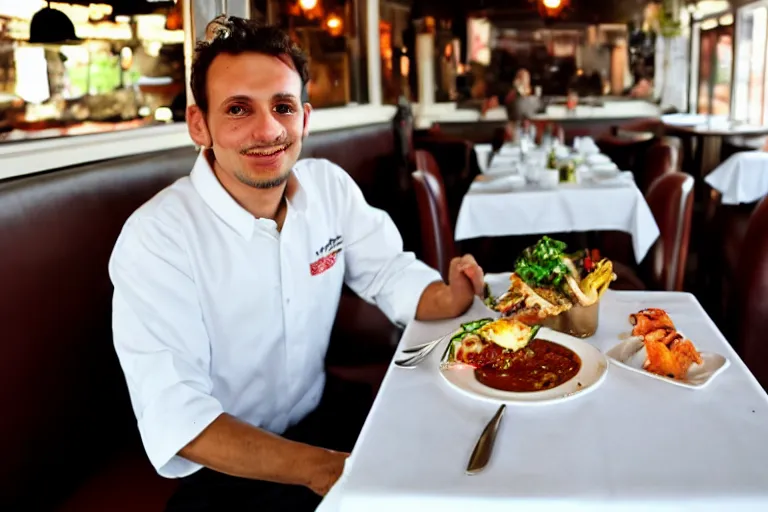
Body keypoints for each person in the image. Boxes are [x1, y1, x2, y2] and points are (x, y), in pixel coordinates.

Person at [108, 15, 486, 512]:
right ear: (199, 123)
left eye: (282, 107)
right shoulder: (156, 238)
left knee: (462, 455)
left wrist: (448, 295)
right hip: (224, 464)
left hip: (322, 413)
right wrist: (325, 468)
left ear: (304, 118)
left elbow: (389, 271)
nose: (267, 130)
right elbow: (181, 419)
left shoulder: (328, 186)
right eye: (238, 109)